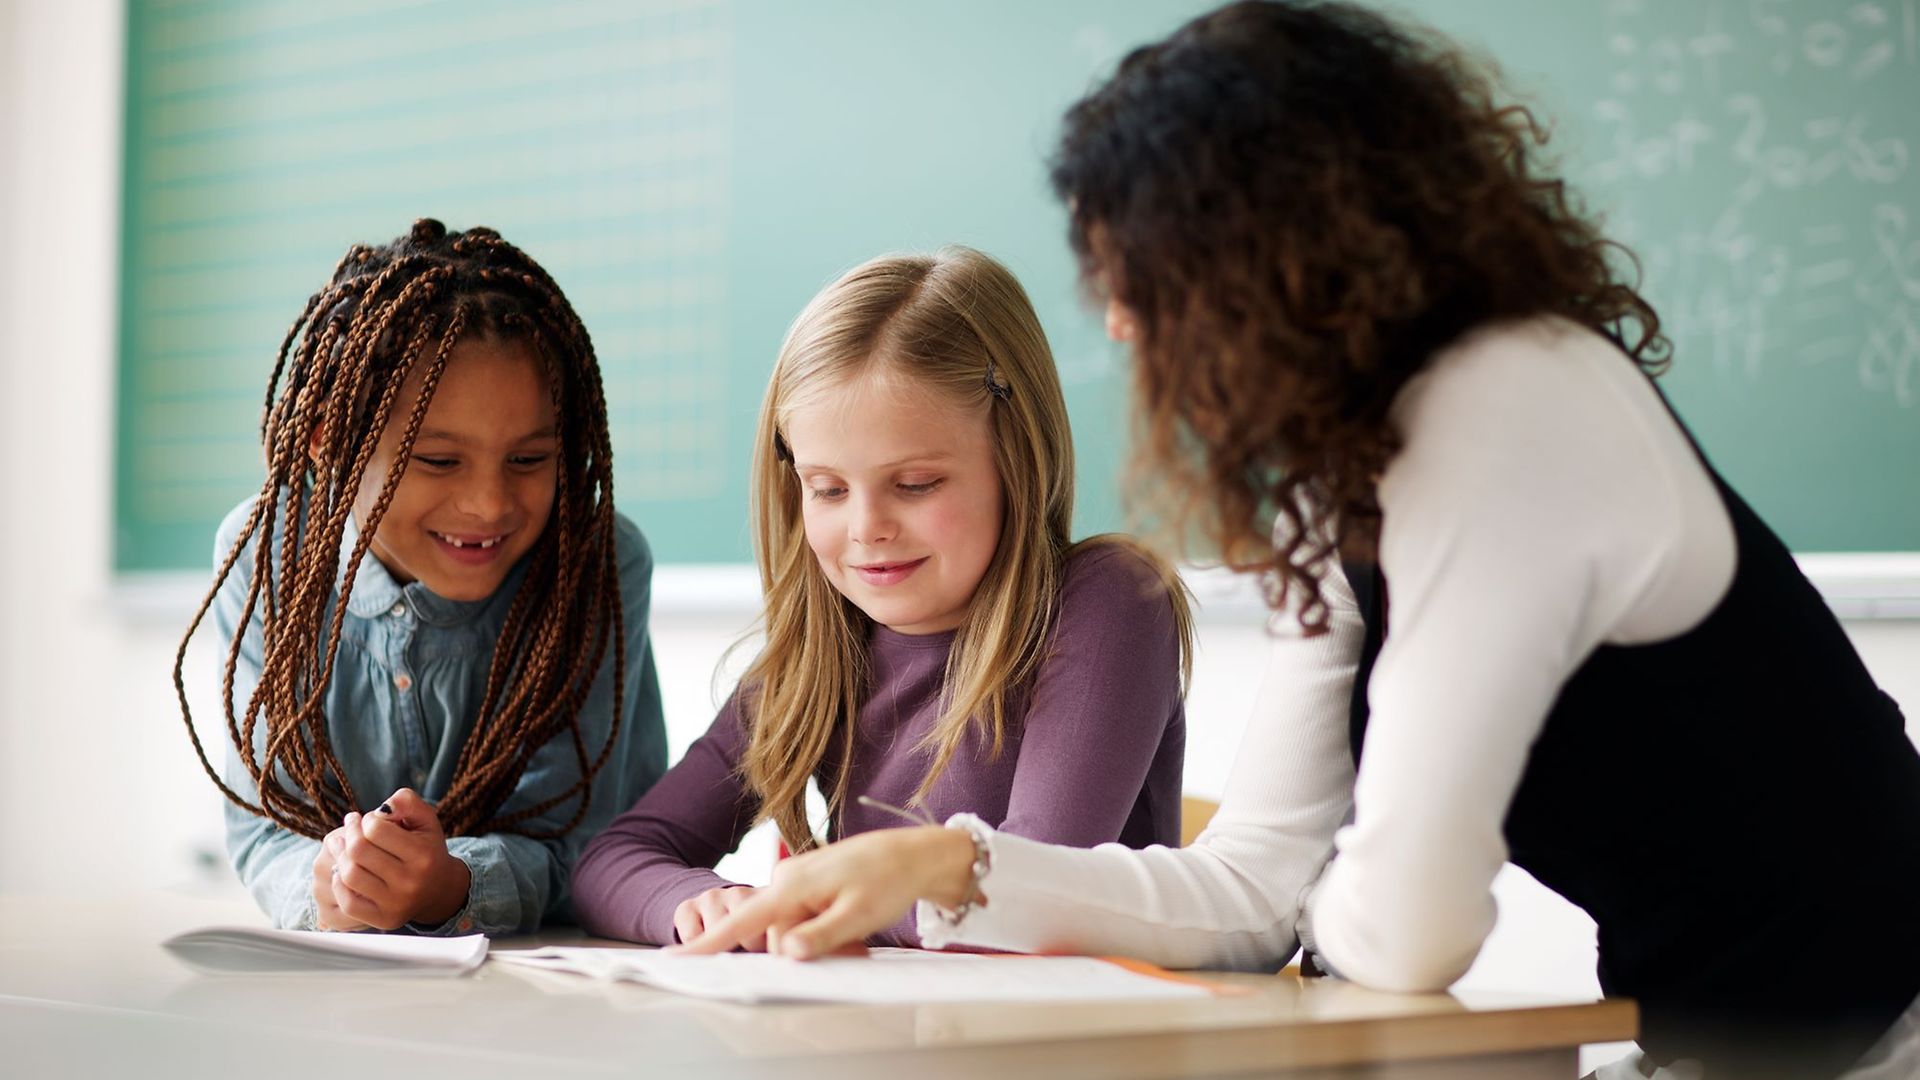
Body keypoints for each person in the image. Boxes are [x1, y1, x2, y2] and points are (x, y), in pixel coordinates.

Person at [675, 6, 1920, 1078]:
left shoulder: (1512, 414)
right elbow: (1247, 893)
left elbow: (1414, 923)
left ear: (1261, 255)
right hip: (1743, 1041)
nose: (1117, 322)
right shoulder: (1350, 491)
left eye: (1134, 273)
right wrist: (946, 868)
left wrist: (1332, 906)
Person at [569, 247, 1192, 948]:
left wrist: (819, 902)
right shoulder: (819, 657)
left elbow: (1029, 891)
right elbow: (612, 860)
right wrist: (698, 899)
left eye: (916, 484)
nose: (866, 528)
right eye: (828, 489)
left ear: (1017, 459)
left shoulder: (1109, 602)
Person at [175, 219, 668, 936]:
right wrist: (328, 891)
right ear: (329, 443)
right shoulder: (265, 557)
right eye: (438, 460)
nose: (490, 504)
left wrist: (452, 887)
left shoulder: (593, 563)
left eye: (530, 460)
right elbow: (266, 832)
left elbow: (585, 844)